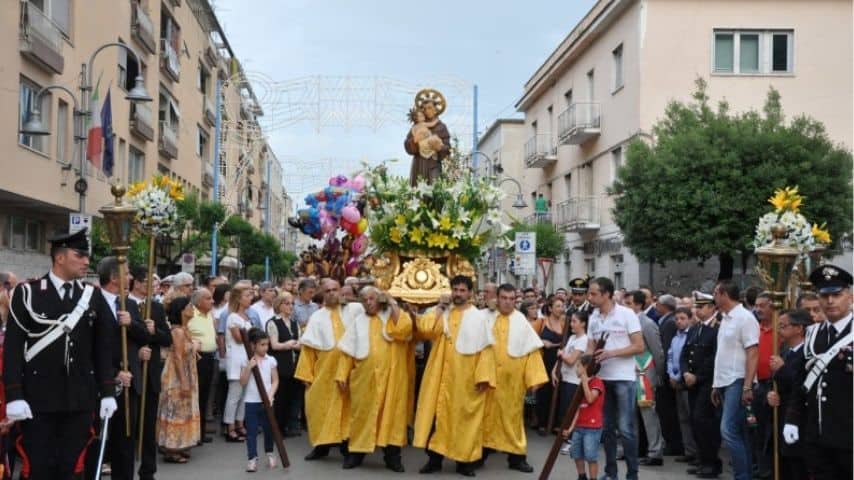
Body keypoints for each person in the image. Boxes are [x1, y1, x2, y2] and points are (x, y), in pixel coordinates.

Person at [3, 229, 117, 480]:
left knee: (71, 468)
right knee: (39, 467)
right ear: (60, 258)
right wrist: (14, 394)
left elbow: (103, 348)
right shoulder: (28, 293)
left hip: (79, 398)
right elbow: (13, 347)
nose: (87, 261)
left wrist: (107, 391)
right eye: (80, 255)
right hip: (38, 399)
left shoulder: (92, 295)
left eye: (87, 256)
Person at [413, 275, 496, 477]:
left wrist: (483, 376)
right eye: (455, 290)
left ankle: (465, 462)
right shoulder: (441, 311)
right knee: (436, 417)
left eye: (462, 290)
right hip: (439, 374)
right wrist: (440, 308)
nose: (458, 294)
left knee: (466, 419)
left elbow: (486, 350)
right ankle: (434, 460)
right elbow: (426, 331)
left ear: (470, 293)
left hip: (465, 379)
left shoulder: (478, 317)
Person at [784, 265, 852, 479]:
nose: (830, 301)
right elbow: (800, 384)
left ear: (850, 297)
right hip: (818, 433)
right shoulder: (812, 335)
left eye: (836, 294)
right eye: (824, 295)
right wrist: (792, 419)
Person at [335, 286, 413, 472]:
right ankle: (356, 455)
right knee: (361, 416)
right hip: (364, 380)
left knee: (391, 418)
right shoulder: (358, 321)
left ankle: (392, 458)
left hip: (391, 380)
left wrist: (392, 301)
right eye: (364, 300)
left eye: (372, 299)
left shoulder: (392, 317)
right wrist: (341, 374)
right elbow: (347, 352)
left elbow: (404, 328)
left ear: (380, 300)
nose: (368, 303)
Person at [480, 284, 547, 473]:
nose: (508, 302)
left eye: (511, 298)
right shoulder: (486, 317)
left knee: (513, 420)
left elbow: (532, 351)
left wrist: (534, 379)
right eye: (504, 298)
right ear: (497, 298)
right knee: (486, 418)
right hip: (489, 380)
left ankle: (517, 458)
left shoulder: (521, 321)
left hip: (512, 383)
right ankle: (481, 453)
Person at [586, 277, 644, 480]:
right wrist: (588, 361)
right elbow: (591, 347)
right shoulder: (593, 317)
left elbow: (639, 346)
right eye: (589, 293)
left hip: (623, 378)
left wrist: (611, 353)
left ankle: (632, 475)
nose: (589, 297)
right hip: (602, 379)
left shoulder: (627, 314)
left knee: (626, 429)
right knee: (607, 429)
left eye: (593, 293)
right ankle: (611, 473)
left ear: (607, 294)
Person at [97, 257, 148, 480]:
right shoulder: (92, 301)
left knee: (125, 443)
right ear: (113, 277)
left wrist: (132, 323)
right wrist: (114, 374)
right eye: (126, 273)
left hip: (130, 383)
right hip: (103, 382)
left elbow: (146, 336)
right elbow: (91, 348)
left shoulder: (131, 304)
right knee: (98, 442)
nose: (130, 278)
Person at [295, 279, 355, 461]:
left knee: (347, 411)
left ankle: (348, 449)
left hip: (348, 372)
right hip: (324, 374)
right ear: (322, 293)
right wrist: (306, 373)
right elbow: (308, 350)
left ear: (340, 291)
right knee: (319, 409)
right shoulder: (317, 317)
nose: (331, 293)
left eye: (334, 289)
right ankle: (321, 447)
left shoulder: (353, 312)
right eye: (327, 290)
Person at [711, 280, 758, 480]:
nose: (713, 297)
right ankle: (746, 474)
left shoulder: (745, 318)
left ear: (723, 294)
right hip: (724, 381)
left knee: (728, 430)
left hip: (738, 380)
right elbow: (723, 354)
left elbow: (753, 352)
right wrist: (715, 385)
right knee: (737, 431)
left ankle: (741, 475)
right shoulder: (726, 318)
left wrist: (748, 385)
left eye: (715, 293)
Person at [129, 267, 172, 480]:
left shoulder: (155, 307)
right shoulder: (123, 304)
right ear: (136, 282)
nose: (151, 286)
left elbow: (168, 339)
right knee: (129, 425)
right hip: (129, 372)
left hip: (151, 373)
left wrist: (155, 332)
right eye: (147, 281)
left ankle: (148, 471)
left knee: (148, 426)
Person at [766, 309, 810, 480]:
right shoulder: (785, 351)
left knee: (796, 466)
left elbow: (800, 384)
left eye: (783, 326)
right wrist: (770, 394)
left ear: (798, 328)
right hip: (780, 413)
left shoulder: (807, 353)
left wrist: (782, 369)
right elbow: (774, 381)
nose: (779, 330)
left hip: (797, 418)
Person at [157, 296, 201, 463]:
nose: (192, 308)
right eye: (189, 305)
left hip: (186, 372)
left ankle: (180, 444)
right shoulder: (178, 331)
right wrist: (183, 381)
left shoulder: (185, 329)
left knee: (184, 410)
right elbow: (177, 357)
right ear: (181, 310)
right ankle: (171, 449)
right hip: (177, 375)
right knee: (175, 409)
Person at [682, 291, 721, 478]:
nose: (697, 310)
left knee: (703, 421)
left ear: (712, 308)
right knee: (695, 421)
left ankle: (711, 462)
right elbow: (685, 353)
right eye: (696, 306)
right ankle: (702, 458)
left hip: (707, 382)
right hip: (692, 382)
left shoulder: (716, 328)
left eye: (701, 306)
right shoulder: (696, 328)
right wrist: (685, 372)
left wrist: (697, 376)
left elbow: (713, 358)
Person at [624, 290, 665, 467]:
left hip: (645, 373)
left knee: (649, 415)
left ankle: (655, 451)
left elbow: (657, 352)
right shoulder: (627, 322)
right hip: (628, 372)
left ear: (639, 305)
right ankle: (634, 449)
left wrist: (659, 375)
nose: (626, 307)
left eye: (629, 304)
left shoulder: (647, 324)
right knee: (630, 415)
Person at [240, 328, 279, 472]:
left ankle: (270, 453)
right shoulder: (247, 360)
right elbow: (242, 382)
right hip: (251, 402)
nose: (265, 347)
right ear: (253, 345)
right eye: (262, 344)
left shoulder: (271, 360)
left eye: (266, 344)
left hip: (267, 402)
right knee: (251, 431)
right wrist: (249, 368)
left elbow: (275, 380)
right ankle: (252, 458)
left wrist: (270, 395)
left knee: (269, 430)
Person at [266, 293, 302, 438]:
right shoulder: (273, 322)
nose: (290, 306)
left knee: (291, 398)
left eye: (292, 303)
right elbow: (274, 345)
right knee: (280, 398)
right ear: (279, 305)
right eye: (287, 303)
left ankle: (286, 426)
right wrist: (288, 345)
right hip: (280, 364)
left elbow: (299, 343)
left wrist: (296, 345)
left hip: (294, 364)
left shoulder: (294, 322)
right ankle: (277, 429)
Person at [564, 355, 605, 480]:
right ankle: (582, 476)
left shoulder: (597, 382)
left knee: (590, 456)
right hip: (579, 426)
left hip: (592, 427)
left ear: (586, 367)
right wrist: (570, 429)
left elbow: (590, 399)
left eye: (578, 366)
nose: (576, 369)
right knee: (576, 454)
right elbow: (578, 409)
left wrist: (584, 380)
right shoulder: (583, 384)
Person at [751, 292, 778, 478]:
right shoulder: (754, 328)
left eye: (763, 305)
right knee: (758, 429)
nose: (758, 309)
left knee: (772, 430)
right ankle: (761, 468)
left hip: (774, 385)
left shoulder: (780, 329)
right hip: (757, 384)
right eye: (757, 305)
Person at [667, 307, 698, 466]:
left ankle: (698, 452)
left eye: (682, 318)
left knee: (693, 417)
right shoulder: (675, 338)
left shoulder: (692, 335)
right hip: (676, 381)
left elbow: (688, 359)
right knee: (683, 418)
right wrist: (671, 375)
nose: (679, 321)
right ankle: (689, 450)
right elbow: (671, 357)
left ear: (690, 319)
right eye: (677, 319)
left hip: (687, 381)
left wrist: (680, 376)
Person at [653, 293, 683, 457]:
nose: (656, 307)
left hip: (666, 373)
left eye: (658, 304)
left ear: (664, 306)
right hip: (665, 372)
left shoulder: (670, 323)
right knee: (664, 410)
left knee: (668, 410)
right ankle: (671, 442)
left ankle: (674, 443)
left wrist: (663, 371)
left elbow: (665, 349)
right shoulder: (665, 321)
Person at [224, 284, 254, 442]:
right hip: (236, 359)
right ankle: (229, 427)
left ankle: (240, 424)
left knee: (244, 395)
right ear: (239, 299)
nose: (250, 298)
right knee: (234, 395)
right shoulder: (233, 317)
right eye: (247, 295)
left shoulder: (247, 317)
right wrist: (253, 336)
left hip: (247, 359)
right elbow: (239, 338)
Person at [188, 287, 217, 444]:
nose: (212, 301)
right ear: (199, 301)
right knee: (196, 395)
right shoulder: (191, 315)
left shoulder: (209, 315)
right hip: (197, 359)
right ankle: (194, 433)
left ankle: (201, 431)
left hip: (210, 358)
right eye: (208, 298)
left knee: (205, 395)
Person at [535, 297, 566, 435]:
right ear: (550, 308)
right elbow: (530, 337)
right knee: (544, 391)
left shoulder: (566, 323)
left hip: (560, 361)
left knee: (558, 391)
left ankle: (555, 423)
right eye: (558, 306)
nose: (561, 309)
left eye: (562, 306)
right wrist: (542, 341)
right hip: (544, 360)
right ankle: (542, 422)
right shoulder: (541, 322)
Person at [405, 96, 450, 186]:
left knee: (434, 191)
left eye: (429, 108)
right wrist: (414, 141)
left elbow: (448, 148)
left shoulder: (441, 127)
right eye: (424, 109)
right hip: (418, 164)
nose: (427, 111)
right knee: (418, 192)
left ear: (435, 110)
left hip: (433, 164)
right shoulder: (417, 126)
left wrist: (440, 148)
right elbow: (407, 144)